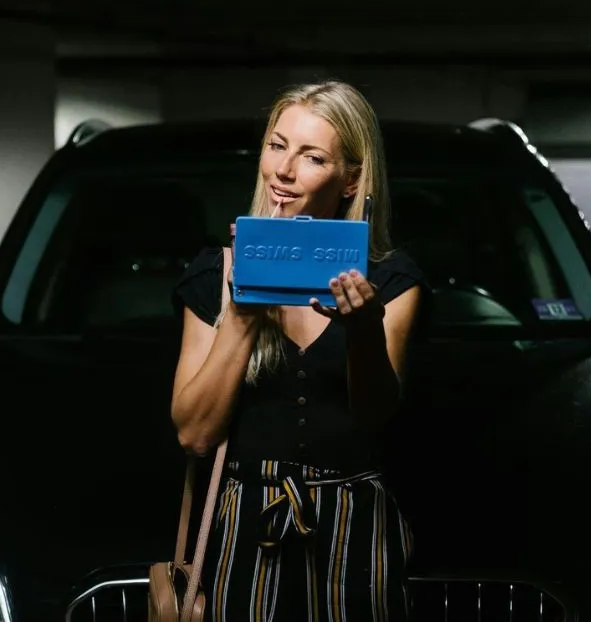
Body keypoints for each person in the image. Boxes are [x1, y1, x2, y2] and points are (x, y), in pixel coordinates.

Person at [170, 80, 427, 622]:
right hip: (244, 525)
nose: (283, 171)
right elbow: (194, 434)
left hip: (356, 528)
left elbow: (377, 415)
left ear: (351, 178)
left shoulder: (388, 281)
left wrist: (363, 331)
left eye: (312, 157)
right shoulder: (215, 273)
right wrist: (242, 312)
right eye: (276, 146)